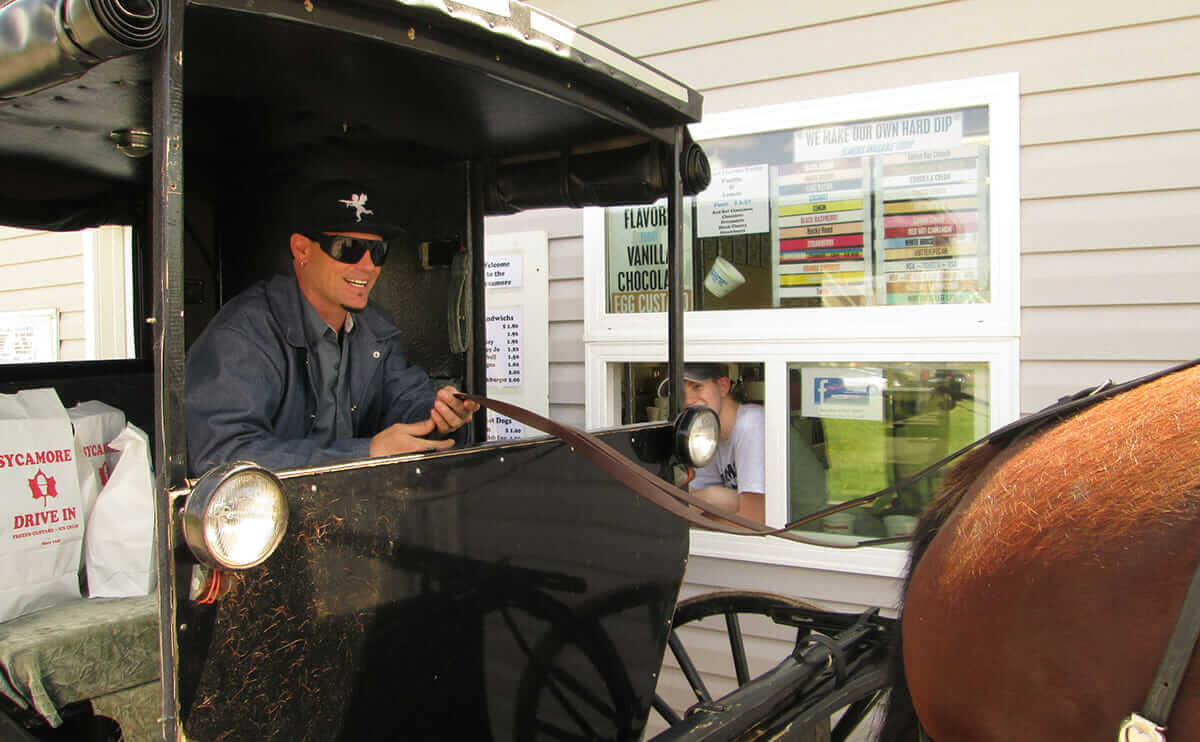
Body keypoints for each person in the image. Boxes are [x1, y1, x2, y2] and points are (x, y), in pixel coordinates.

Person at [184, 178, 479, 475]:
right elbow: (221, 456)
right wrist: (366, 453)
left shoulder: (376, 329)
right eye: (348, 248)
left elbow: (404, 401)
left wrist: (439, 418)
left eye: (377, 252)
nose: (367, 265)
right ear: (302, 250)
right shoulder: (244, 335)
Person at [677, 363, 765, 522]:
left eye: (697, 386)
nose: (688, 401)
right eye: (680, 393)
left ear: (723, 387)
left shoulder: (751, 423)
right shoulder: (707, 431)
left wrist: (704, 505)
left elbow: (755, 522)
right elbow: (692, 499)